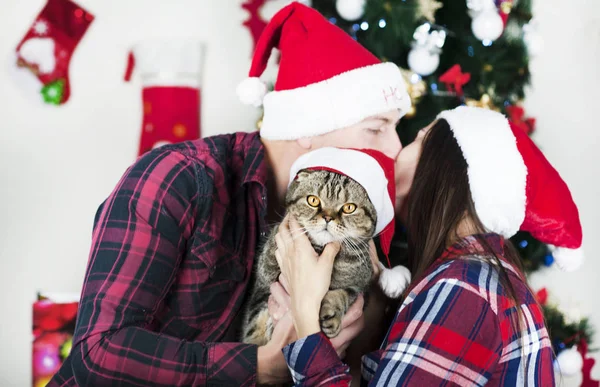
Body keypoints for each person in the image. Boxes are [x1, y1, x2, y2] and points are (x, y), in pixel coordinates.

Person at [48, 3, 413, 386]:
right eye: (377, 128)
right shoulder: (178, 180)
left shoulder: (350, 229)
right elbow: (98, 354)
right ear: (309, 125)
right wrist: (262, 365)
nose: (394, 149)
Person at [276, 106, 584, 386]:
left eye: (419, 138)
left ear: (446, 167)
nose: (397, 150)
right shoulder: (474, 279)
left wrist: (305, 313)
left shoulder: (463, 289)